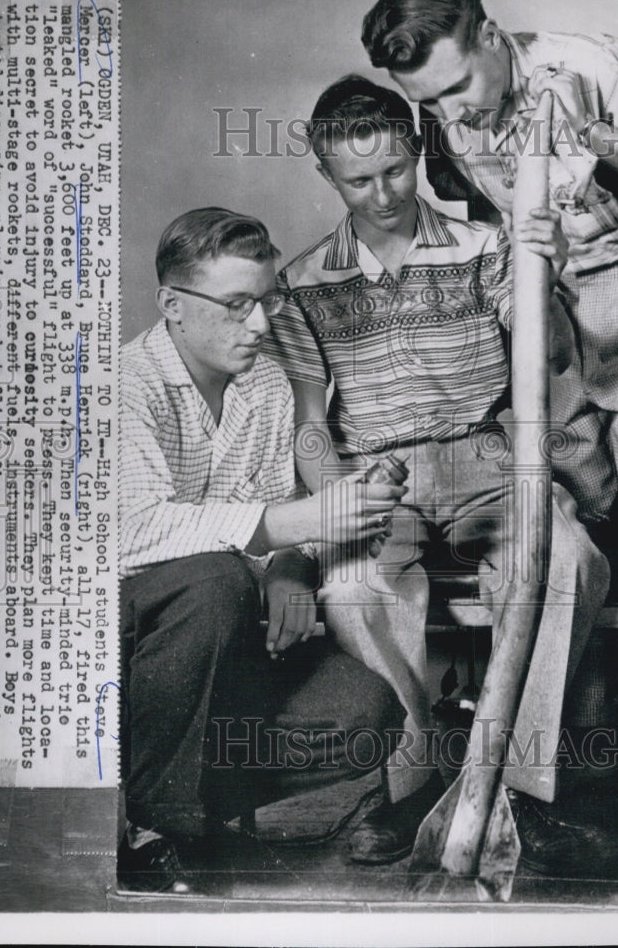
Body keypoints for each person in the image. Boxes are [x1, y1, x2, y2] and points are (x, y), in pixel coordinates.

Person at [264, 75, 610, 872]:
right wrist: (337, 499)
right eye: (359, 179)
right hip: (380, 469)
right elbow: (311, 426)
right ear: (325, 173)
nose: (382, 192)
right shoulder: (303, 284)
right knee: (352, 587)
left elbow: (551, 358)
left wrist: (544, 277)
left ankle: (514, 789)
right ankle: (411, 787)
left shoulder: (487, 247)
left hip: (490, 454)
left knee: (568, 562)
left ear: (418, 149)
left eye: (395, 168)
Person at [118, 207, 406, 894]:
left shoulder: (269, 383)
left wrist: (291, 567)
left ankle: (188, 808)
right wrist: (292, 527)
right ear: (173, 305)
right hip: (128, 647)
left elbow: (283, 521)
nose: (261, 324)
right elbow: (133, 532)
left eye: (268, 300)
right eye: (237, 305)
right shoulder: (126, 382)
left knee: (367, 713)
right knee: (214, 582)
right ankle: (159, 832)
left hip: (228, 648)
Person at [361, 0, 618, 568]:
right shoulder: (446, 112)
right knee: (577, 472)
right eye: (430, 101)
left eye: (459, 85)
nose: (450, 112)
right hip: (545, 290)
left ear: (491, 36)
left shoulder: (586, 64)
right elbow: (483, 209)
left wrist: (595, 136)